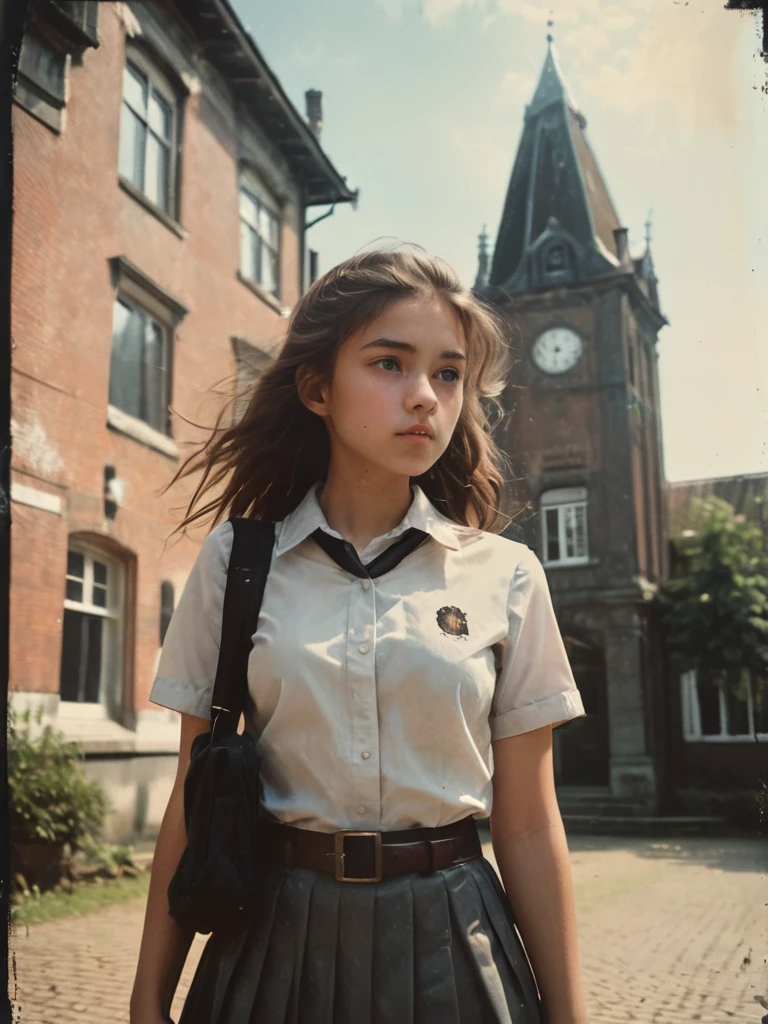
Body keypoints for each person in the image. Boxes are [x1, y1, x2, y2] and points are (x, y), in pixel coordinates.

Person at [129, 247, 589, 1024]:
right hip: (274, 943)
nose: (424, 397)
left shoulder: (506, 575)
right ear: (318, 387)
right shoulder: (238, 564)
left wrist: (571, 1016)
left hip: (456, 939)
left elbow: (531, 822)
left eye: (448, 374)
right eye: (388, 363)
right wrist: (148, 1001)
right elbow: (192, 798)